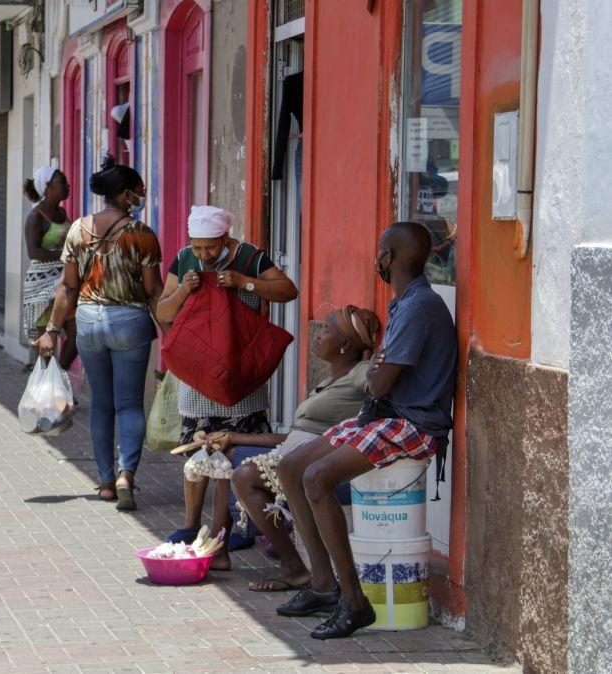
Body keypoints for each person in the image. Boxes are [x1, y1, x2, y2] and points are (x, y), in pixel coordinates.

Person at [275, 221, 457, 640]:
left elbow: (376, 381)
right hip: (386, 416)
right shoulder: (406, 303)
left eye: (380, 252)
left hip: (414, 422)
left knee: (317, 478)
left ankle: (354, 602)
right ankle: (322, 585)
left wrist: (378, 367)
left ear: (388, 258)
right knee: (291, 467)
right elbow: (378, 370)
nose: (377, 259)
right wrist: (378, 366)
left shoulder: (419, 307)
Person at [154, 205, 298, 561]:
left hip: (240, 372)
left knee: (229, 459)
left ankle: (230, 530)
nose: (202, 255)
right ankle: (192, 526)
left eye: (210, 247)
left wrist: (243, 282)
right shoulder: (184, 260)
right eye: (197, 247)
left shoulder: (248, 257)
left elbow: (287, 290)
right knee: (197, 452)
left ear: (224, 238)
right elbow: (163, 312)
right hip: (199, 374)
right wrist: (184, 291)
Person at [36, 154, 164, 512]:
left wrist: (52, 331)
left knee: (101, 406)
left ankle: (106, 482)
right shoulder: (141, 234)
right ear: (123, 195)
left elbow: (68, 288)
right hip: (130, 322)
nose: (141, 196)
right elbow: (154, 291)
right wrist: (170, 332)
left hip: (89, 323)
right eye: (137, 191)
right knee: (129, 404)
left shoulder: (78, 229)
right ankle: (127, 475)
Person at [222, 306, 380, 585]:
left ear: (345, 345)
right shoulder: (327, 382)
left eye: (327, 330)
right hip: (292, 455)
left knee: (244, 475)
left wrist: (382, 368)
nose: (318, 334)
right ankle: (216, 549)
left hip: (320, 466)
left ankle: (293, 566)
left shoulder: (358, 372)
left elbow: (374, 384)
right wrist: (234, 437)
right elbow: (294, 435)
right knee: (226, 458)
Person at [22, 166, 77, 372]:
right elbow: (34, 252)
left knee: (76, 335)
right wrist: (66, 254)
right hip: (41, 287)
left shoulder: (62, 213)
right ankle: (45, 391)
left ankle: (59, 378)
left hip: (64, 283)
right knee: (45, 344)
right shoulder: (36, 217)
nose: (67, 186)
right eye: (62, 182)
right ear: (47, 187)